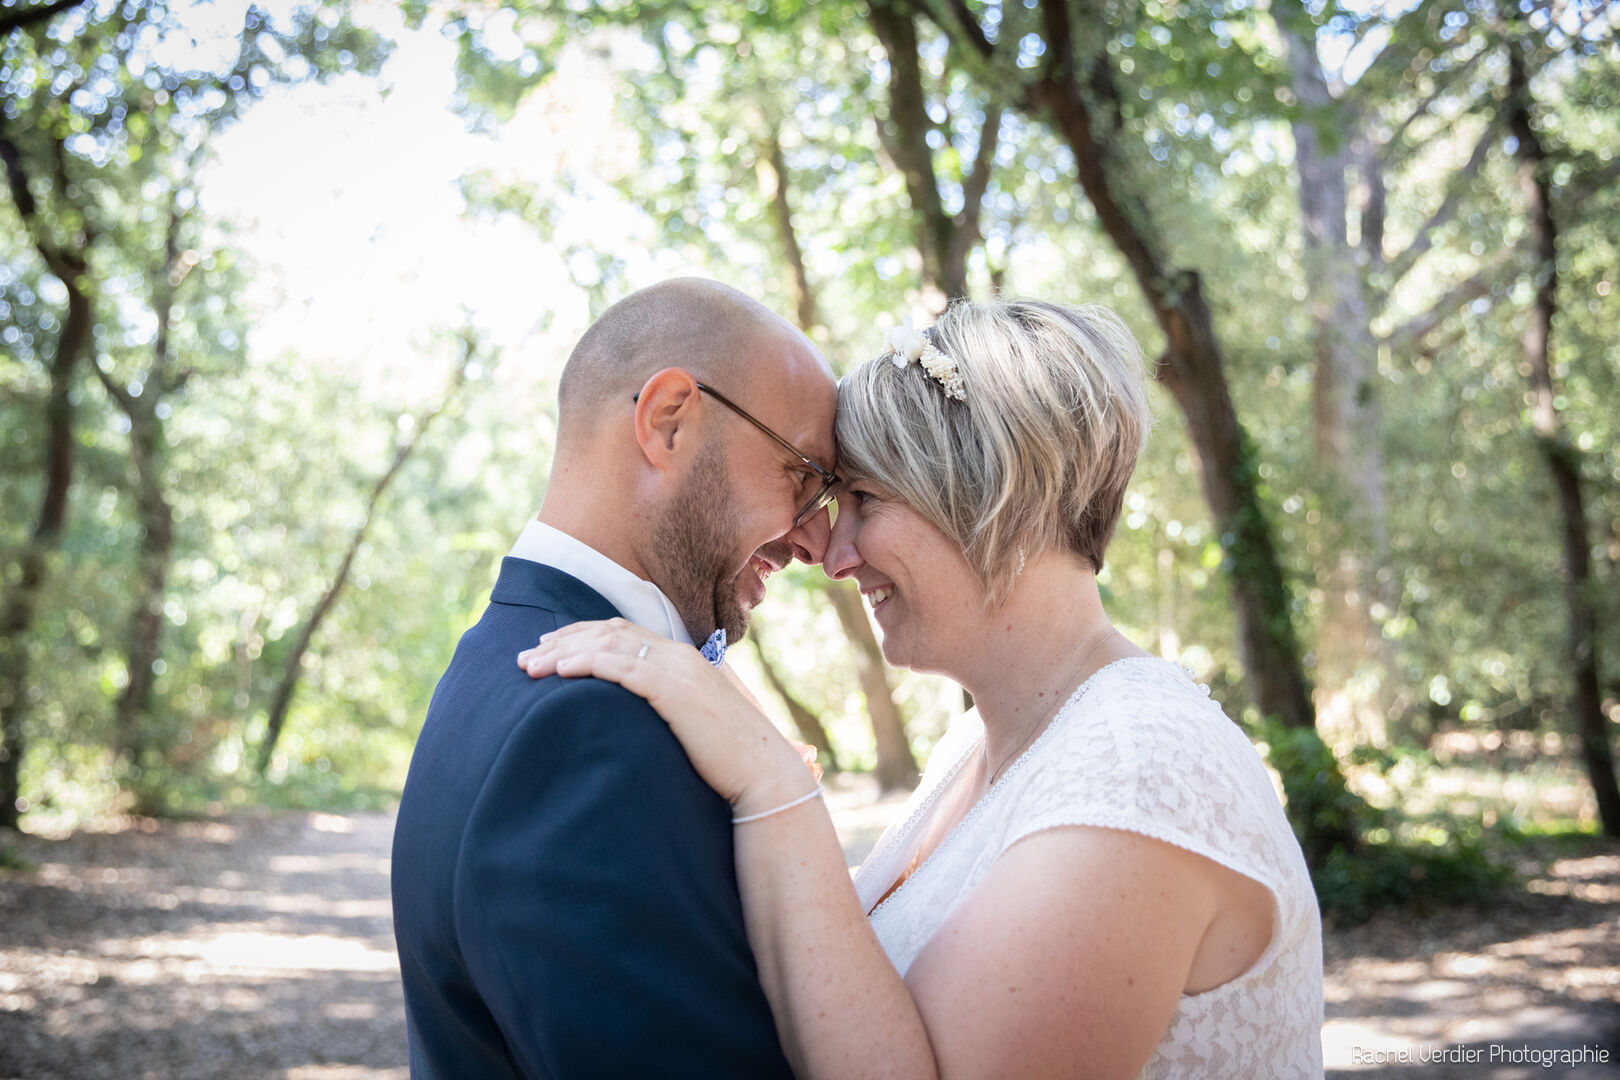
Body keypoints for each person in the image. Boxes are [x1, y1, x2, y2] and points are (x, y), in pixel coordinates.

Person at [519, 297, 1326, 1078]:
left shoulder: (1140, 774)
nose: (836, 557)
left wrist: (773, 783)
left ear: (995, 496)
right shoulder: (977, 742)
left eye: (864, 500)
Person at [391, 278, 840, 1078]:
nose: (815, 541)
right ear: (668, 421)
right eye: (802, 476)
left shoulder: (494, 657)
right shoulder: (587, 732)